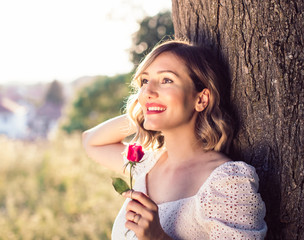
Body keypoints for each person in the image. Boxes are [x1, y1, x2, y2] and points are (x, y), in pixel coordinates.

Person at [82, 40, 267, 240]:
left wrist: (159, 237)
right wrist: (146, 110)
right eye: (145, 81)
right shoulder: (148, 164)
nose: (147, 92)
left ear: (201, 99)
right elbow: (91, 141)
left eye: (166, 80)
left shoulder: (228, 183)